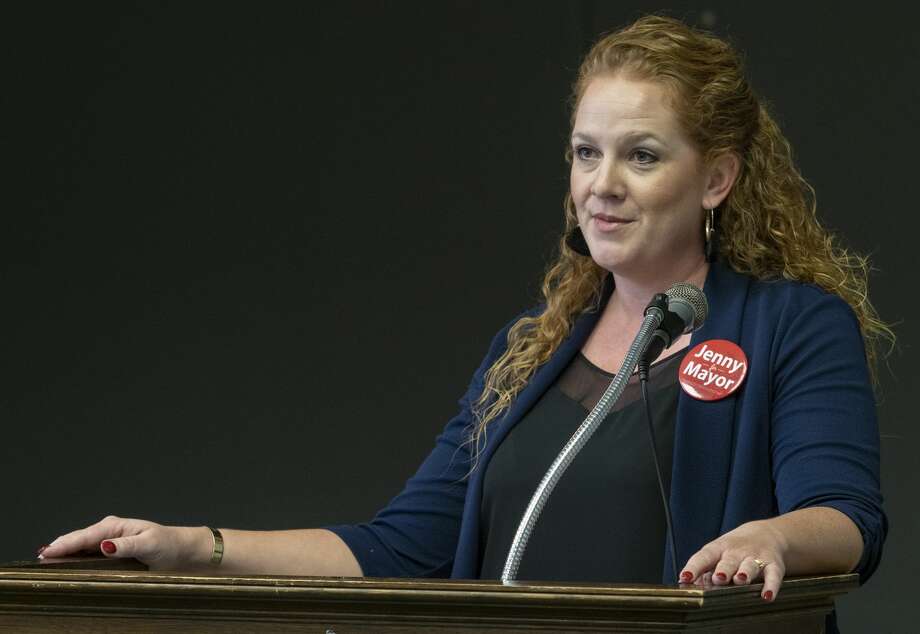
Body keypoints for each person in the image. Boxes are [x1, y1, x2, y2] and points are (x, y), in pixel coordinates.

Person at [38, 14, 888, 630]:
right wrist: (196, 548)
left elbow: (847, 518)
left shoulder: (792, 326)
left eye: (642, 155)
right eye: (586, 152)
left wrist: (773, 538)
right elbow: (403, 547)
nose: (601, 185)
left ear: (717, 179)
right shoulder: (532, 352)